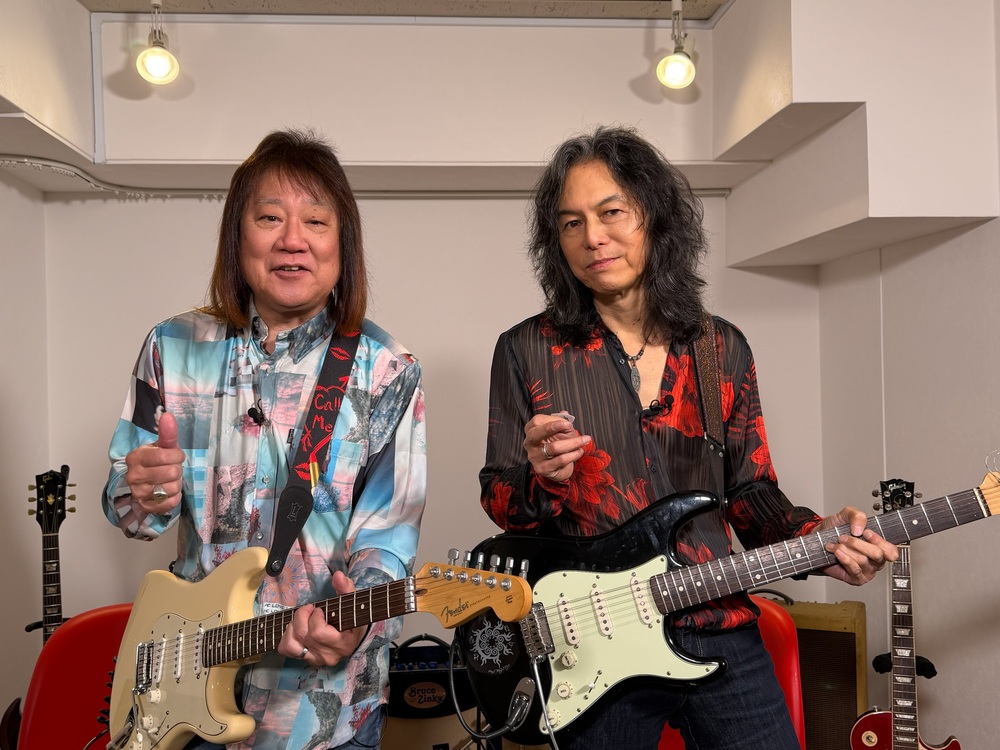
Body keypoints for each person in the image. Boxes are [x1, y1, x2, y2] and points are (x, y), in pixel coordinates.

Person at [478, 125, 897, 750]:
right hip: (595, 648)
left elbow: (750, 494)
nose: (593, 237)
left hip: (718, 622)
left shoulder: (720, 347)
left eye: (611, 212)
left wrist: (819, 539)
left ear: (654, 217)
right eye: (571, 223)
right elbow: (498, 500)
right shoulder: (525, 350)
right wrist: (541, 479)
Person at [102, 129, 426, 750]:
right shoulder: (172, 347)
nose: (292, 240)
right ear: (238, 236)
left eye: (316, 221)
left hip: (325, 708)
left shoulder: (387, 369)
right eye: (270, 217)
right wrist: (143, 491)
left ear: (342, 244)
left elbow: (389, 535)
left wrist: (354, 621)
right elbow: (129, 509)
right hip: (184, 681)